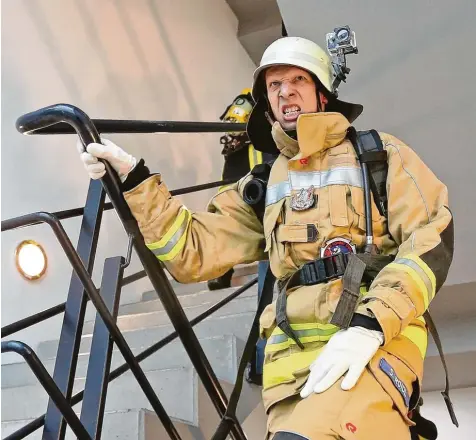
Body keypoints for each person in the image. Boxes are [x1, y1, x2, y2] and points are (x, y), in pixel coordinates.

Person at [78, 36, 453, 440]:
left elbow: (430, 238)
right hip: (287, 368)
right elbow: (191, 251)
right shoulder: (262, 184)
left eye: (297, 80)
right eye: (274, 85)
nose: (285, 91)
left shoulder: (380, 156)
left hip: (370, 345)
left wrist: (371, 324)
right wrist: (134, 179)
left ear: (322, 94)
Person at [207, 88, 274, 292]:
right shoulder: (254, 101)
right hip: (251, 170)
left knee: (224, 221)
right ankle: (223, 273)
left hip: (235, 170)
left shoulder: (243, 100)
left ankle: (221, 274)